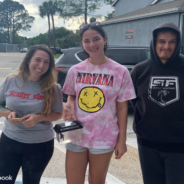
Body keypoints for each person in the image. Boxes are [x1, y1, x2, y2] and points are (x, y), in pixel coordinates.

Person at [62, 22, 136, 184]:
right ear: (82, 44)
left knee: (97, 181)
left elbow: (123, 108)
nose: (92, 44)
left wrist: (121, 140)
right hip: (75, 131)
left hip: (104, 134)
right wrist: (69, 103)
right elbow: (71, 96)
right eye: (86, 41)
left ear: (104, 40)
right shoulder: (75, 70)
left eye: (96, 39)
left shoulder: (120, 71)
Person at [0, 45, 63, 184]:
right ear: (28, 60)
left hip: (40, 145)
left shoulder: (54, 88)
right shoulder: (11, 81)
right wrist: (8, 113)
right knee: (4, 179)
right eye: (38, 60)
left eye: (46, 62)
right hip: (10, 141)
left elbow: (58, 114)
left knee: (32, 182)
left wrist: (40, 117)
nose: (41, 65)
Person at [131, 22, 184, 184]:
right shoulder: (139, 70)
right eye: (162, 41)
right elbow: (134, 101)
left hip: (179, 146)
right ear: (154, 42)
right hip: (148, 144)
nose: (166, 46)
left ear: (178, 43)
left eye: (172, 42)